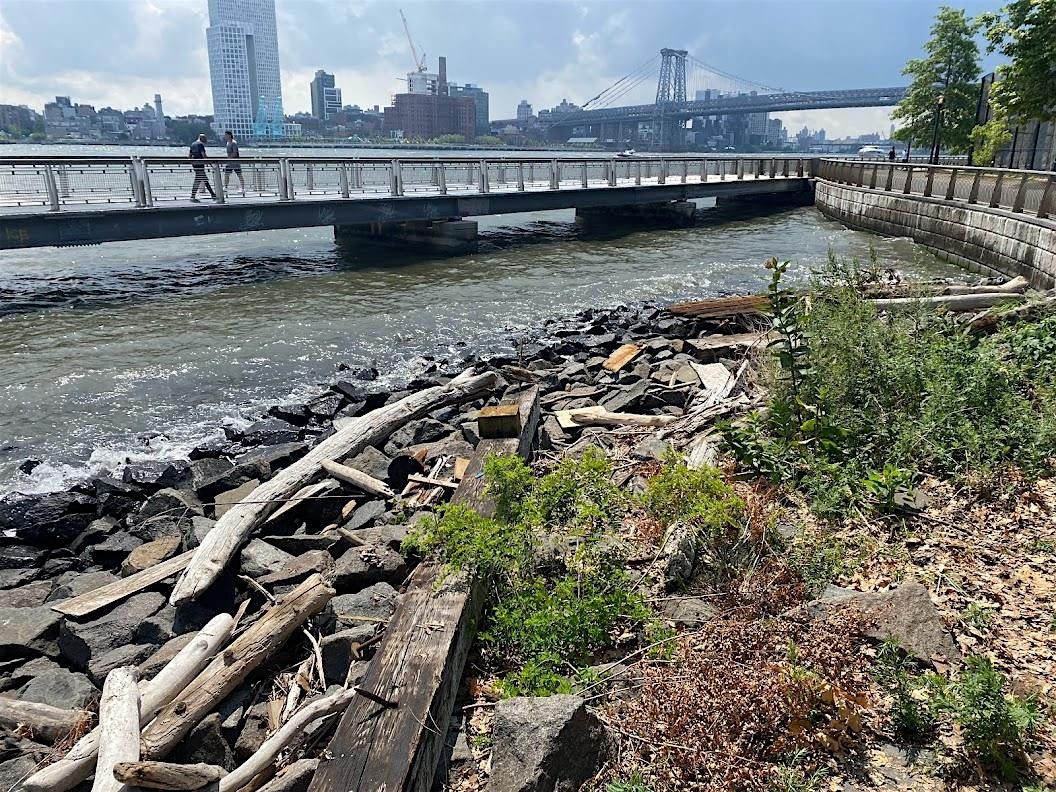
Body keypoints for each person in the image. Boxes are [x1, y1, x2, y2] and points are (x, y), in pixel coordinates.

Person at [189, 133, 216, 203]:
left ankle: (213, 194)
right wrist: (210, 163)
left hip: (195, 164)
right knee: (201, 179)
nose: (206, 141)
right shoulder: (200, 145)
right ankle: (193, 196)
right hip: (200, 164)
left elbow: (189, 156)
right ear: (202, 139)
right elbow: (204, 155)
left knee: (202, 179)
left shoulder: (192, 144)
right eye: (205, 139)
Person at [223, 130, 245, 195]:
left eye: (226, 135)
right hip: (229, 162)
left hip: (235, 162)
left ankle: (243, 188)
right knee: (226, 174)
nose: (225, 136)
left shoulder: (233, 143)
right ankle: (225, 187)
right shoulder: (227, 143)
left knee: (239, 174)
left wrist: (229, 158)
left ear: (229, 135)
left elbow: (235, 153)